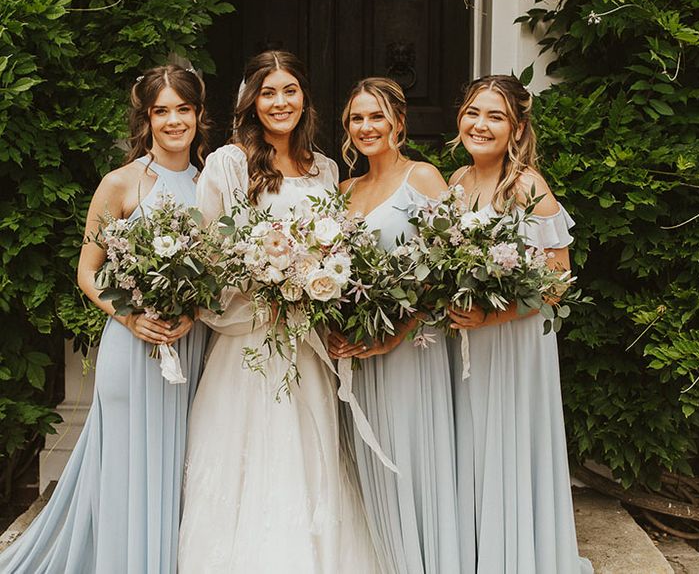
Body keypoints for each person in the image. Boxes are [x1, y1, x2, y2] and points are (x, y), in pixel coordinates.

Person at [0, 65, 211, 573]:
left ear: (200, 116)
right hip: (133, 348)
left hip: (190, 346)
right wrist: (132, 317)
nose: (174, 121)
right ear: (147, 119)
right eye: (162, 111)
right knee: (127, 468)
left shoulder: (212, 186)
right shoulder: (120, 183)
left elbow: (222, 270)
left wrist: (197, 309)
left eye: (183, 109)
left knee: (182, 468)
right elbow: (88, 273)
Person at [177, 51, 380, 573]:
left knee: (309, 457)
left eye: (289, 90)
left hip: (307, 346)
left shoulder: (327, 168)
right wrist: (267, 289)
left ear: (304, 97)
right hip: (249, 342)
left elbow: (337, 252)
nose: (280, 101)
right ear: (252, 101)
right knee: (247, 461)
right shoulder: (228, 162)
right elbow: (207, 258)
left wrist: (315, 286)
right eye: (268, 92)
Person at [445, 74, 593, 574]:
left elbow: (558, 280)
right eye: (473, 112)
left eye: (495, 116)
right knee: (473, 447)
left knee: (508, 448)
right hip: (468, 342)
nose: (480, 125)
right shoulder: (457, 182)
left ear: (517, 126)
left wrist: (495, 313)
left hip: (513, 339)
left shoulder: (527, 185)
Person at [328, 78, 461, 574]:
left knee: (410, 460)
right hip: (357, 351)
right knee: (366, 459)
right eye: (357, 119)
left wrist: (396, 332)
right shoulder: (343, 191)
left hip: (410, 348)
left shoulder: (423, 178)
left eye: (376, 116)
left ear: (399, 123)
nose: (366, 127)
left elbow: (451, 266)